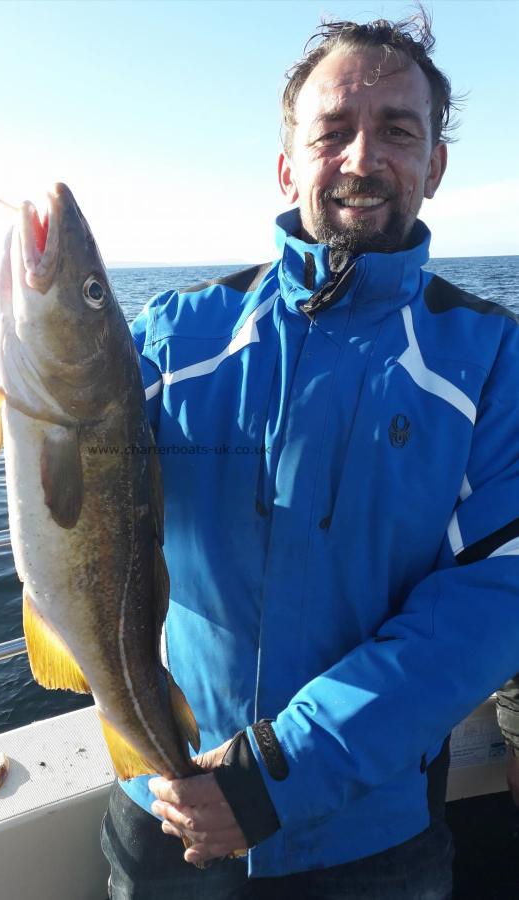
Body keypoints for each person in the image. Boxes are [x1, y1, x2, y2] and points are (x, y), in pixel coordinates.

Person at [100, 10, 519, 899]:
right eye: (333, 132)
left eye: (397, 132)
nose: (362, 159)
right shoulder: (174, 338)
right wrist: (33, 352)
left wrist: (276, 773)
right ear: (288, 165)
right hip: (164, 810)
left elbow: (493, 599)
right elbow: (63, 466)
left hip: (371, 839)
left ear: (434, 166)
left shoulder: (491, 360)